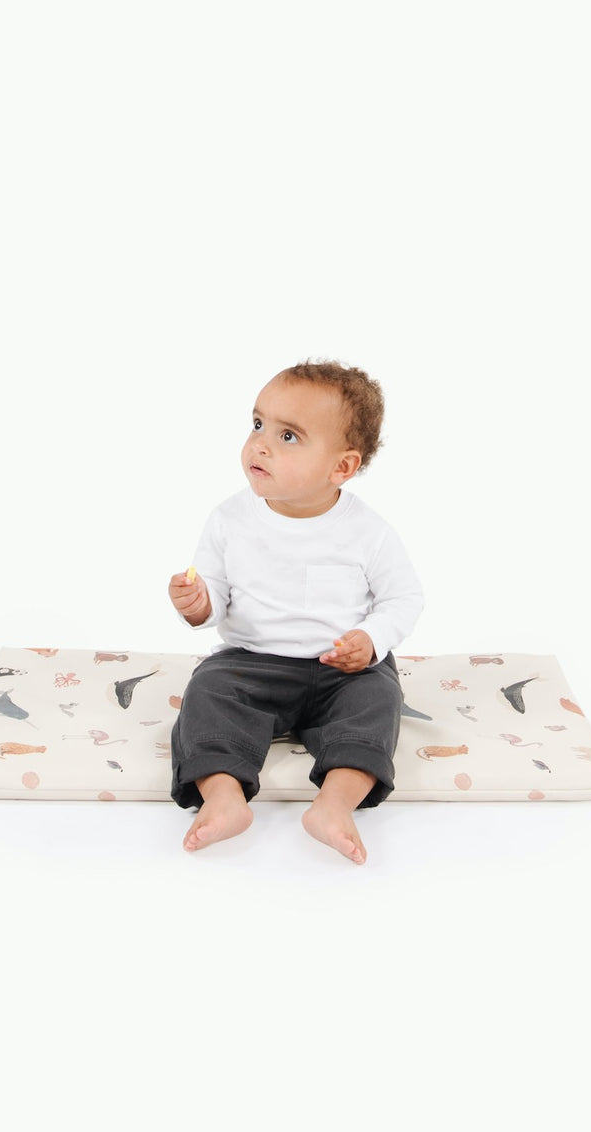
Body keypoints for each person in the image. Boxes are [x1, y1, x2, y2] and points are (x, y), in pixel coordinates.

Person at [166, 359, 425, 865]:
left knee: (378, 699)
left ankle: (334, 803)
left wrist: (370, 640)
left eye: (288, 436)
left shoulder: (368, 532)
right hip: (250, 662)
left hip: (341, 670)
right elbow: (214, 592)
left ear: (341, 467)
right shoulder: (229, 519)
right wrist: (199, 605)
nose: (260, 444)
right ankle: (224, 796)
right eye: (258, 424)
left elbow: (403, 598)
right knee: (207, 691)